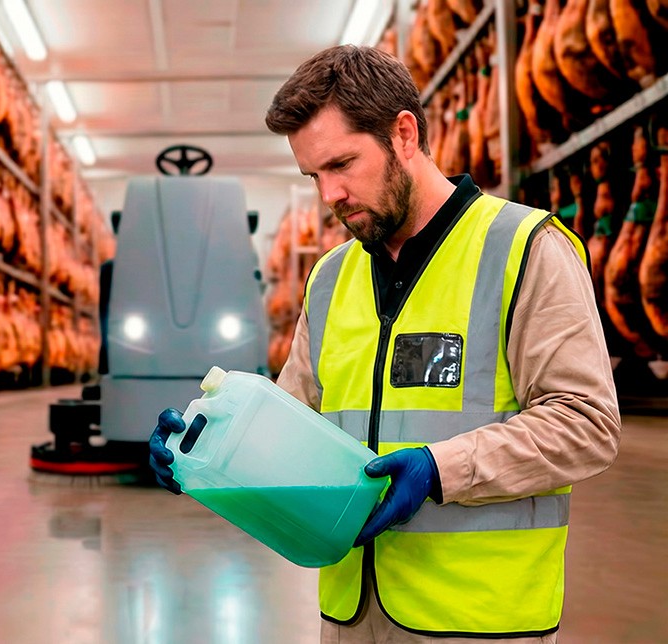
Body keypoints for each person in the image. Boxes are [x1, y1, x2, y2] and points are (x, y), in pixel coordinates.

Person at [149, 45, 621, 643]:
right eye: (313, 175)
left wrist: (439, 467)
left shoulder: (523, 247)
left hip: (478, 621)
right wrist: (201, 452)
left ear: (403, 134)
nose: (330, 195)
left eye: (342, 164)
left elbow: (588, 424)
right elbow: (288, 425)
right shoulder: (329, 279)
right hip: (352, 618)